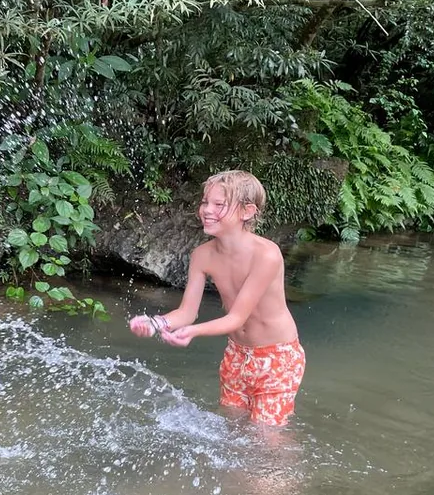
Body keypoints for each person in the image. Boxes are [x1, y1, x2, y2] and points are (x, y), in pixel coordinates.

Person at [128, 170, 305, 426]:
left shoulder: (267, 255)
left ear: (247, 211)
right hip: (236, 354)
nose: (207, 210)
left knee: (265, 440)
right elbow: (186, 312)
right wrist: (156, 323)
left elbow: (236, 317)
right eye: (204, 202)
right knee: (230, 428)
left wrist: (191, 332)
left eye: (219, 205)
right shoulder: (202, 255)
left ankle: (280, 468)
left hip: (278, 357)